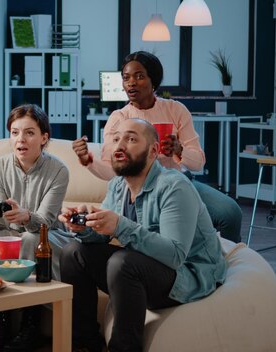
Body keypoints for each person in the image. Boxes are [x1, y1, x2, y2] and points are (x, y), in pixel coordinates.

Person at [60, 118, 227, 352]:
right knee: (73, 253)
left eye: (130, 139)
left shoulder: (173, 186)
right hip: (143, 270)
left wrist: (120, 226)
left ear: (153, 151)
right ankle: (85, 344)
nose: (120, 146)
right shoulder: (118, 185)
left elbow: (175, 255)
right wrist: (84, 227)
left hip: (190, 273)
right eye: (116, 139)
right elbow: (102, 235)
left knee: (123, 262)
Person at [73, 51, 242, 243]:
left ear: (154, 81)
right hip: (138, 190)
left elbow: (198, 163)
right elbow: (113, 171)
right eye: (126, 78)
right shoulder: (118, 118)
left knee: (230, 213)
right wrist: (88, 160)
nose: (131, 83)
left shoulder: (175, 110)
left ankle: (221, 263)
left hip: (178, 183)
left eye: (139, 76)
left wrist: (179, 150)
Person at [0, 104, 70, 351]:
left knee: (30, 240)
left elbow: (47, 222)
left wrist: (27, 216)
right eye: (15, 132)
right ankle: (0, 318)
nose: (21, 139)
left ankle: (31, 323)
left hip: (49, 237)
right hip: (12, 232)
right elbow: (0, 218)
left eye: (29, 132)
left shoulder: (58, 170)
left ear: (44, 138)